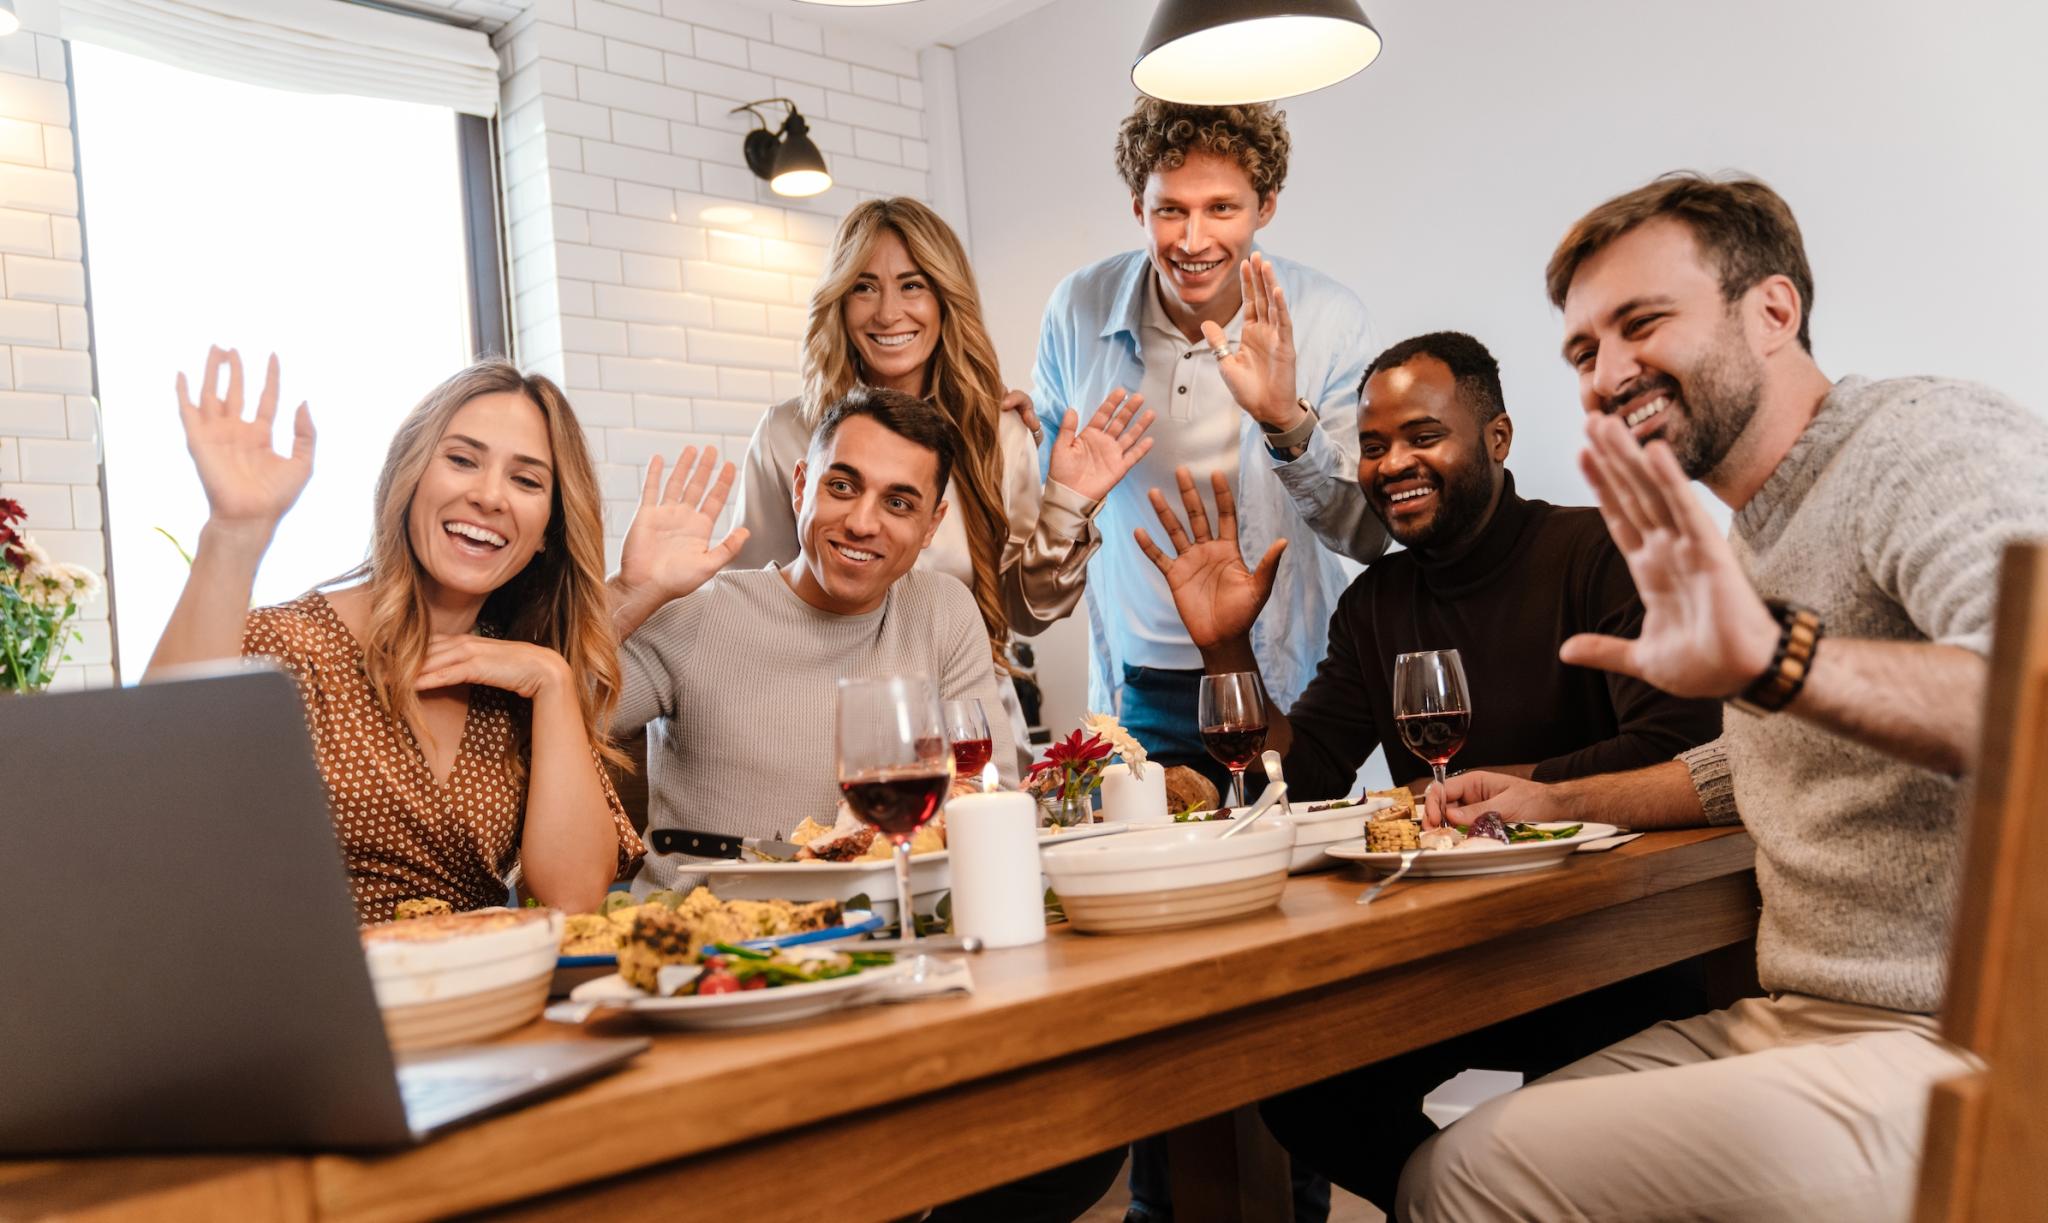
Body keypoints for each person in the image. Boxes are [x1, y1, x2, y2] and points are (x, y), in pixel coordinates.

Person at [1395, 173, 2048, 1221]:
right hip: (1801, 1013)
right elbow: (1751, 764)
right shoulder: (1746, 539)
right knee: (1449, 1152)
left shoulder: (1921, 440)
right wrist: (1548, 799)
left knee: (1468, 1178)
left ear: (1772, 310)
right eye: (1581, 352)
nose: (1608, 373)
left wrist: (1774, 660)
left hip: (1964, 1034)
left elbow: (2031, 694)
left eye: (1640, 322)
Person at [1136, 329, 1722, 1211]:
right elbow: (1302, 773)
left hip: (1610, 947)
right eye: (1372, 447)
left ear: (1497, 439)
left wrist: (1506, 791)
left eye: (1422, 436)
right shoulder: (1377, 603)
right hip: (1455, 959)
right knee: (1306, 1085)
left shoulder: (1606, 550)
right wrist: (1225, 648)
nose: (1392, 464)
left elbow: (1678, 745)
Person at [146, 349, 647, 923]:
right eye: (462, 460)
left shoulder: (524, 681)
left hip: (478, 991)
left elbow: (571, 900)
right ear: (409, 479)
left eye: (526, 479)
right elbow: (157, 781)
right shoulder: (291, 645)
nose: (489, 495)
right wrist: (234, 531)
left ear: (545, 535)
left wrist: (555, 683)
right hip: (312, 997)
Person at [1029, 97, 1385, 802]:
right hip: (1139, 684)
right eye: (1170, 210)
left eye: (1223, 208)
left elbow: (1367, 533)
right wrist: (1056, 486)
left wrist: (1287, 423)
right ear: (1138, 206)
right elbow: (1041, 519)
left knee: (1296, 881)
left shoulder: (1327, 320)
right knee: (1151, 891)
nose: (1193, 239)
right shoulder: (1078, 309)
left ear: (1267, 206)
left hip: (1282, 675)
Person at [732, 197, 1156, 767]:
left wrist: (1068, 506)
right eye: (863, 286)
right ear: (838, 299)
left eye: (912, 285)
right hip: (824, 730)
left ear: (944, 298)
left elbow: (1026, 613)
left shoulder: (996, 429)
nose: (887, 313)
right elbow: (752, 603)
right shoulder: (787, 433)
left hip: (968, 728)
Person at [613, 386, 1021, 895]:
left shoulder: (942, 611)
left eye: (897, 503)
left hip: (882, 926)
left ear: (931, 525)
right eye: (843, 487)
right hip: (706, 938)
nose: (861, 523)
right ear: (802, 486)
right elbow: (542, 720)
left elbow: (988, 793)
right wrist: (628, 596)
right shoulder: (696, 609)